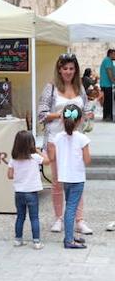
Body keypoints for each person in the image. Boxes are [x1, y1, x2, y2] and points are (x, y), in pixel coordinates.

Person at [38, 53, 93, 235]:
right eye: (65, 68)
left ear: (75, 70)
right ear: (59, 70)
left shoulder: (80, 88)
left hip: (75, 141)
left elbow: (84, 110)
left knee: (77, 181)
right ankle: (58, 218)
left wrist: (87, 116)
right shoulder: (51, 88)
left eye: (71, 68)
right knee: (57, 182)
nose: (68, 72)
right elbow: (41, 115)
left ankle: (79, 219)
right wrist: (59, 115)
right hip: (56, 140)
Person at [47, 104, 91, 249]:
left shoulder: (57, 137)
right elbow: (87, 160)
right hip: (77, 177)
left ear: (62, 119)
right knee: (72, 208)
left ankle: (70, 236)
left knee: (69, 206)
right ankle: (69, 240)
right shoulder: (83, 138)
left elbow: (51, 157)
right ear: (79, 121)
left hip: (64, 177)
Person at [7, 130, 50, 250]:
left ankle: (18, 239)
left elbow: (10, 175)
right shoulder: (35, 158)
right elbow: (47, 161)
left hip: (19, 192)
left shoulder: (13, 159)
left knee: (20, 216)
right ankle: (36, 242)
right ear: (31, 143)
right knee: (34, 217)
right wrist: (38, 150)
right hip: (31, 192)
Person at [99, 49, 115, 121]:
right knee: (108, 102)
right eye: (114, 54)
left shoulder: (109, 61)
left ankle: (106, 116)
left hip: (106, 84)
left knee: (107, 102)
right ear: (110, 54)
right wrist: (113, 82)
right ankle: (107, 117)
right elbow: (109, 73)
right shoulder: (108, 60)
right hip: (106, 85)